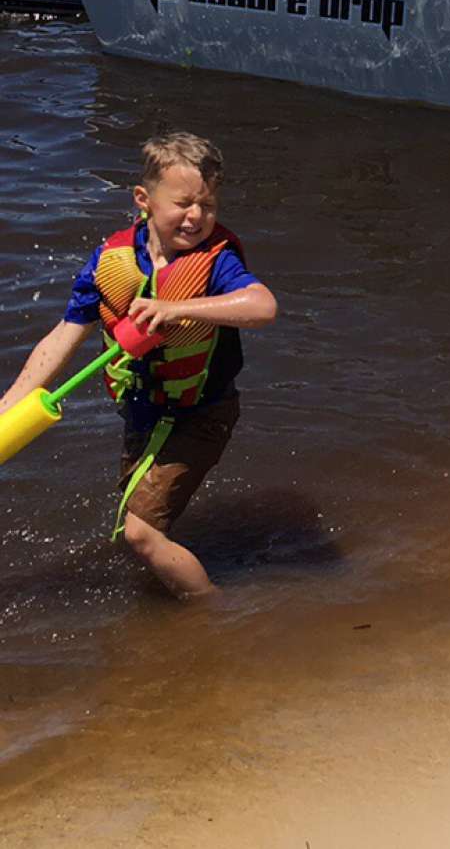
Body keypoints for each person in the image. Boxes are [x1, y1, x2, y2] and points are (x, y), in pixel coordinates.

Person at [0, 133, 276, 599]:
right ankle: (175, 594)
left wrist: (176, 309)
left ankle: (213, 615)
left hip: (202, 413)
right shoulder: (111, 261)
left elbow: (263, 306)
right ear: (144, 200)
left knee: (139, 534)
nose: (197, 216)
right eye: (184, 202)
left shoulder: (216, 260)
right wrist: (8, 406)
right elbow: (63, 337)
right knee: (135, 530)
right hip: (144, 412)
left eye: (208, 205)